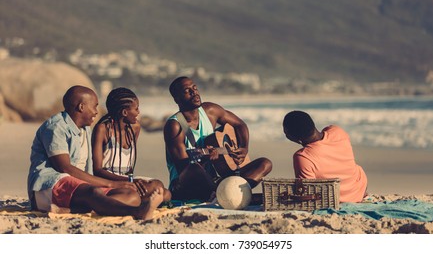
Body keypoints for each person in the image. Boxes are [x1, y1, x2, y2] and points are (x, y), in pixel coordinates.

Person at [27, 85, 163, 220]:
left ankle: (70, 210)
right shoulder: (56, 127)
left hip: (80, 187)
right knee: (93, 192)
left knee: (131, 195)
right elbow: (64, 168)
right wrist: (111, 183)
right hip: (49, 187)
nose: (97, 112)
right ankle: (138, 212)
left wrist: (118, 184)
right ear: (81, 107)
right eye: (94, 106)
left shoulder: (85, 129)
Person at [164, 76, 272, 202]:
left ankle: (226, 193)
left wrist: (244, 148)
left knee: (265, 164)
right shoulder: (175, 126)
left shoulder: (210, 111)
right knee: (194, 169)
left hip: (215, 181)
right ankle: (229, 195)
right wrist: (204, 159)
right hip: (185, 186)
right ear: (177, 98)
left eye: (195, 88)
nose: (194, 92)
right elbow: (183, 168)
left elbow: (240, 125)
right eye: (187, 91)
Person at [91, 87, 171, 202]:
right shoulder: (102, 129)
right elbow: (97, 170)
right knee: (156, 190)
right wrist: (129, 181)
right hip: (109, 182)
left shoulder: (135, 128)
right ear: (124, 112)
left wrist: (132, 181)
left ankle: (135, 200)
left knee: (164, 192)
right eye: (136, 108)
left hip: (128, 180)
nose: (139, 112)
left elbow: (129, 164)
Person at [282, 110, 368, 203]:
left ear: (293, 137)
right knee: (356, 168)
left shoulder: (303, 156)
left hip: (336, 198)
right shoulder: (337, 131)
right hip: (358, 191)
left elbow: (308, 190)